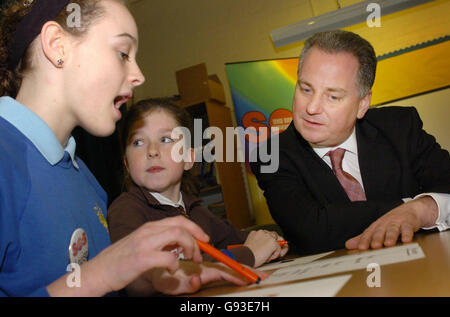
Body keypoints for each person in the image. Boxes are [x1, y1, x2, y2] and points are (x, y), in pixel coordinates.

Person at [0, 0, 255, 297]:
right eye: (123, 53)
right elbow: (95, 279)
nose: (139, 75)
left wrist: (148, 280)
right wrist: (104, 272)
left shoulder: (86, 181)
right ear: (58, 45)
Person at [250, 30, 450, 255]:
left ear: (363, 103)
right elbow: (312, 229)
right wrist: (407, 207)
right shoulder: (272, 155)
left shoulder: (400, 127)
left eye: (333, 96)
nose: (311, 108)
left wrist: (423, 209)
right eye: (306, 89)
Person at [107, 98, 287, 295]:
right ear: (126, 163)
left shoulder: (195, 210)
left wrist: (269, 241)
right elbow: (138, 274)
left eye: (165, 139)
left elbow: (237, 238)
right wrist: (248, 254)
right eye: (138, 142)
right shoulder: (126, 210)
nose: (152, 151)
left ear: (188, 158)